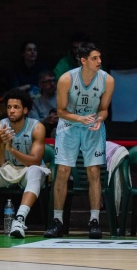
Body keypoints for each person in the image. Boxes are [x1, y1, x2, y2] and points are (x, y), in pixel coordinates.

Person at [44, 42, 115, 239]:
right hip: (69, 125)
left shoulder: (107, 80)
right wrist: (80, 119)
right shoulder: (66, 79)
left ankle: (94, 221)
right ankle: (57, 221)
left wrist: (100, 118)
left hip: (93, 126)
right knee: (63, 171)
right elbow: (61, 111)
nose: (99, 61)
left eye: (100, 57)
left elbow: (103, 109)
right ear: (83, 60)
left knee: (93, 171)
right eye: (94, 58)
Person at [0, 89, 48, 238]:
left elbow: (36, 161)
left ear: (25, 110)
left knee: (36, 170)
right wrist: (2, 145)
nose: (11, 111)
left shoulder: (37, 127)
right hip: (7, 169)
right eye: (9, 107)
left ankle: (19, 220)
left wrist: (11, 149)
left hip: (28, 171)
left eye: (16, 107)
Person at [29, 71, 58, 137]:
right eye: (49, 81)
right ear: (40, 85)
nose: (52, 84)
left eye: (54, 81)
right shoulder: (35, 102)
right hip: (43, 133)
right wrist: (45, 120)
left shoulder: (64, 97)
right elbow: (32, 123)